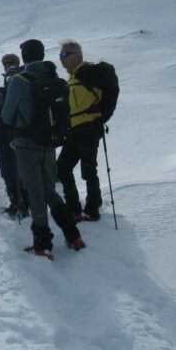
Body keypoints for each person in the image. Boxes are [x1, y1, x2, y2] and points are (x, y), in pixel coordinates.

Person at [2, 39, 85, 256]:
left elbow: (6, 116)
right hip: (49, 142)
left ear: (25, 57)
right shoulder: (52, 76)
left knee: (36, 192)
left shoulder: (20, 80)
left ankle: (42, 244)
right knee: (49, 188)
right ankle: (73, 235)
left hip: (26, 144)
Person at [56, 39, 108, 221]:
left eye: (65, 55)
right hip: (75, 128)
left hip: (89, 127)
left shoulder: (88, 73)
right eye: (60, 55)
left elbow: (102, 95)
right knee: (62, 168)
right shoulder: (72, 77)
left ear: (77, 56)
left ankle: (93, 208)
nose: (61, 59)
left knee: (88, 169)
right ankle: (74, 208)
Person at [0, 54, 26, 216]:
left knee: (19, 171)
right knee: (6, 170)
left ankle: (24, 202)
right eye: (5, 63)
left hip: (18, 136)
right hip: (2, 138)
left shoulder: (25, 85)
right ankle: (14, 200)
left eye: (11, 63)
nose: (7, 65)